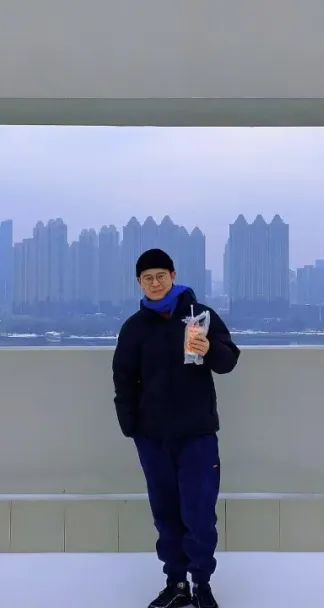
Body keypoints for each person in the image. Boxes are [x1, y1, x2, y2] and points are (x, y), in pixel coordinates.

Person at [113, 248, 241, 608]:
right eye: (147, 278)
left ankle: (201, 584)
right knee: (166, 514)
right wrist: (131, 426)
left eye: (160, 276)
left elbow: (228, 361)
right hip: (153, 438)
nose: (155, 283)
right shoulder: (134, 328)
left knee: (199, 513)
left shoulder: (200, 316)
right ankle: (176, 582)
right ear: (139, 283)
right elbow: (123, 378)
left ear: (173, 275)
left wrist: (209, 347)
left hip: (197, 434)